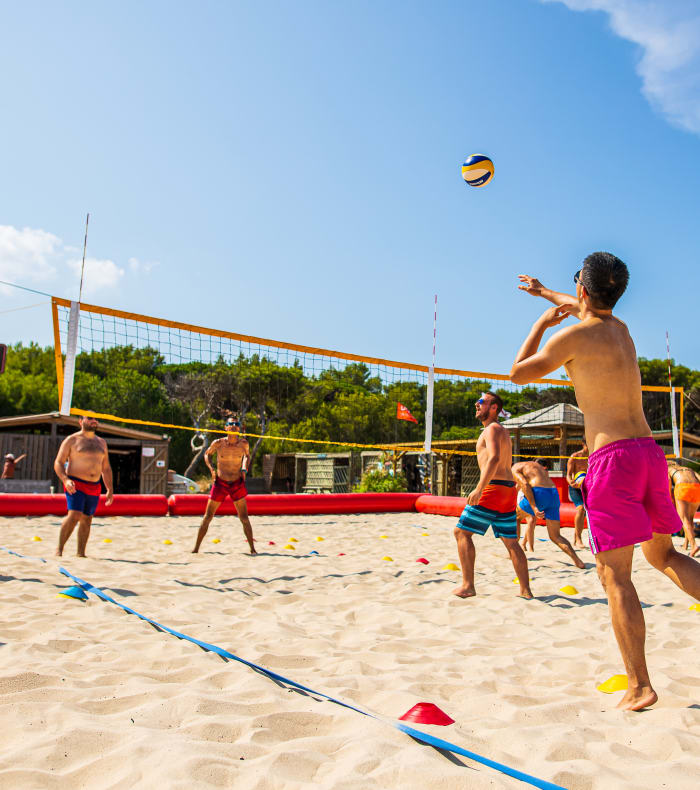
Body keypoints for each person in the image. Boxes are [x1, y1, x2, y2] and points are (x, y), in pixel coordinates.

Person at [512, 253, 700, 710]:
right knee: (665, 554)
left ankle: (640, 686)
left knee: (615, 575)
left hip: (612, 460)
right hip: (650, 455)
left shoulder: (571, 335)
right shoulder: (621, 330)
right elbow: (585, 307)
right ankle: (639, 682)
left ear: (583, 287)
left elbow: (516, 373)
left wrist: (539, 321)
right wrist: (546, 292)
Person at [452, 392, 532, 600]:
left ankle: (468, 586)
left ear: (494, 408)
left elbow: (495, 458)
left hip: (494, 489)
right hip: (506, 489)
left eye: (482, 402)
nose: (476, 404)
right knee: (511, 542)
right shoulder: (501, 430)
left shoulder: (492, 429)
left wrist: (479, 488)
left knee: (461, 533)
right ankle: (525, 591)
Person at [192, 417, 256, 554]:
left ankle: (253, 549)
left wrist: (245, 467)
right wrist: (212, 470)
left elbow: (247, 456)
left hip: (237, 483)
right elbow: (207, 454)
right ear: (226, 427)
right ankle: (196, 549)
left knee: (244, 518)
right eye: (230, 424)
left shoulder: (244, 444)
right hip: (220, 482)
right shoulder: (219, 443)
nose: (233, 426)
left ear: (239, 428)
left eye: (236, 424)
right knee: (208, 516)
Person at [54, 415, 113, 557]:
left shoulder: (101, 442)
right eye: (90, 418)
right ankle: (59, 550)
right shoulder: (72, 439)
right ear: (81, 421)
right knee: (74, 515)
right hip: (76, 483)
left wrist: (110, 488)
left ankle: (80, 553)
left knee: (87, 518)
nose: (94, 421)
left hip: (94, 486)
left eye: (96, 419)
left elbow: (106, 468)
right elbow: (58, 462)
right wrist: (65, 479)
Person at [512, 458, 585, 568]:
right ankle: (578, 561)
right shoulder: (535, 466)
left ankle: (515, 551)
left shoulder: (514, 468)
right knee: (556, 536)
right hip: (553, 493)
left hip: (539, 493)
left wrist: (534, 507)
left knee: (515, 517)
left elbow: (525, 484)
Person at [668, 460, 700, 557]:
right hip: (696, 488)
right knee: (690, 519)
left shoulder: (669, 469)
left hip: (682, 487)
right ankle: (686, 543)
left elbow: (668, 483)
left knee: (684, 519)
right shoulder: (688, 469)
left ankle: (694, 545)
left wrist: (670, 499)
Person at [566, 442, 589, 548]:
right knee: (580, 509)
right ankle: (578, 539)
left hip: (587, 487)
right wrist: (571, 482)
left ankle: (576, 538)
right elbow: (568, 475)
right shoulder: (575, 456)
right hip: (575, 487)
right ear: (583, 444)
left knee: (585, 513)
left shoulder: (593, 456)